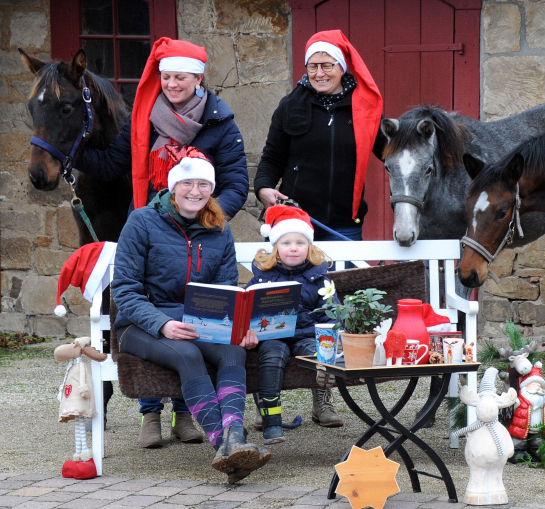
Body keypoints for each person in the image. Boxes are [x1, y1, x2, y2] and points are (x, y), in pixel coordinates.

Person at [76, 37, 249, 447]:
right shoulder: (145, 119)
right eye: (166, 76)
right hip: (157, 229)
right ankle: (160, 418)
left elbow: (236, 184)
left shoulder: (220, 123)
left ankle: (228, 435)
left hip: (199, 226)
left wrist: (202, 215)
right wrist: (70, 151)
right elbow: (113, 163)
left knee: (216, 343)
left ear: (198, 78)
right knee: (176, 336)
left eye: (180, 77)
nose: (171, 84)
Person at [111, 154, 269, 483]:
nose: (195, 191)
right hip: (141, 323)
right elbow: (124, 290)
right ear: (172, 187)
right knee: (187, 354)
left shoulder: (219, 227)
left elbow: (226, 288)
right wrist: (162, 324)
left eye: (203, 184)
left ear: (211, 189)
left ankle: (233, 441)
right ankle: (224, 444)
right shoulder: (141, 222)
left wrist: (238, 327)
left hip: (199, 319)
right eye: (187, 183)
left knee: (232, 352)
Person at [254, 29, 386, 242]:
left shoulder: (364, 108)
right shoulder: (290, 105)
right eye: (313, 66)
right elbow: (272, 157)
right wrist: (263, 187)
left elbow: (391, 153)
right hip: (295, 219)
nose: (319, 73)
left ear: (341, 67)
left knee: (342, 277)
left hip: (345, 224)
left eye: (327, 66)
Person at [242, 205, 344, 445]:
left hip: (307, 334)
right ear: (276, 248)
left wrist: (329, 334)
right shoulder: (262, 278)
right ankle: (271, 420)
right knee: (271, 359)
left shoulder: (319, 278)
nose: (294, 248)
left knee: (319, 353)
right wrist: (249, 329)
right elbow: (246, 310)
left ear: (309, 247)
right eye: (286, 243)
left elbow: (332, 314)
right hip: (272, 337)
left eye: (300, 242)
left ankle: (323, 392)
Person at [507, 363, 545, 463]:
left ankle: (537, 452)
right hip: (520, 430)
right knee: (518, 443)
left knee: (538, 441)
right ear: (525, 387)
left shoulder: (543, 402)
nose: (538, 388)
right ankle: (518, 452)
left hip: (538, 429)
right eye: (533, 385)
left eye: (540, 386)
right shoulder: (520, 400)